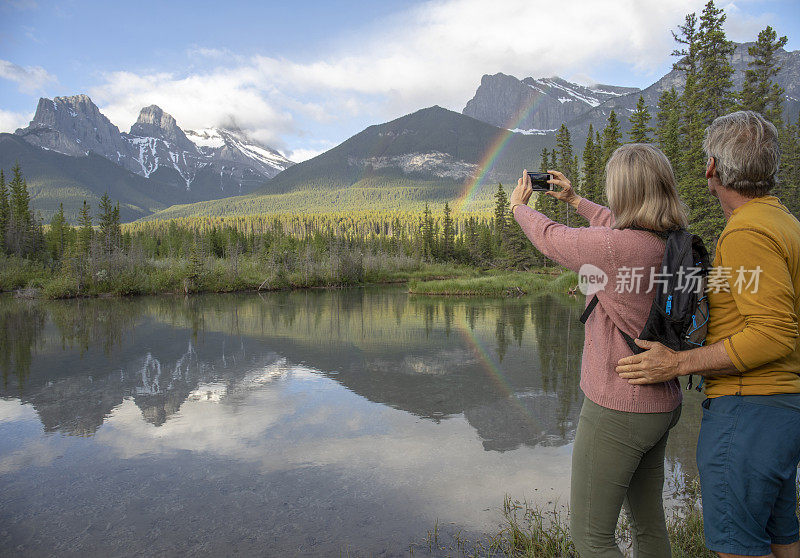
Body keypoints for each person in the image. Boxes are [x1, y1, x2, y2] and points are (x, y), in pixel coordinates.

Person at [615, 111, 800, 558]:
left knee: (737, 548)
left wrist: (678, 362)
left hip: (747, 413)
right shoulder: (784, 223)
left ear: (712, 169)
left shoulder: (746, 232)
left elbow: (775, 334)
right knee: (782, 541)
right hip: (782, 412)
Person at [510, 143, 687, 557]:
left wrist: (520, 208)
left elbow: (553, 238)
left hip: (619, 408)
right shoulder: (667, 240)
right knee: (648, 525)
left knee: (591, 540)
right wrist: (574, 200)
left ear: (623, 191)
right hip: (661, 403)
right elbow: (614, 229)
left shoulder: (615, 248)